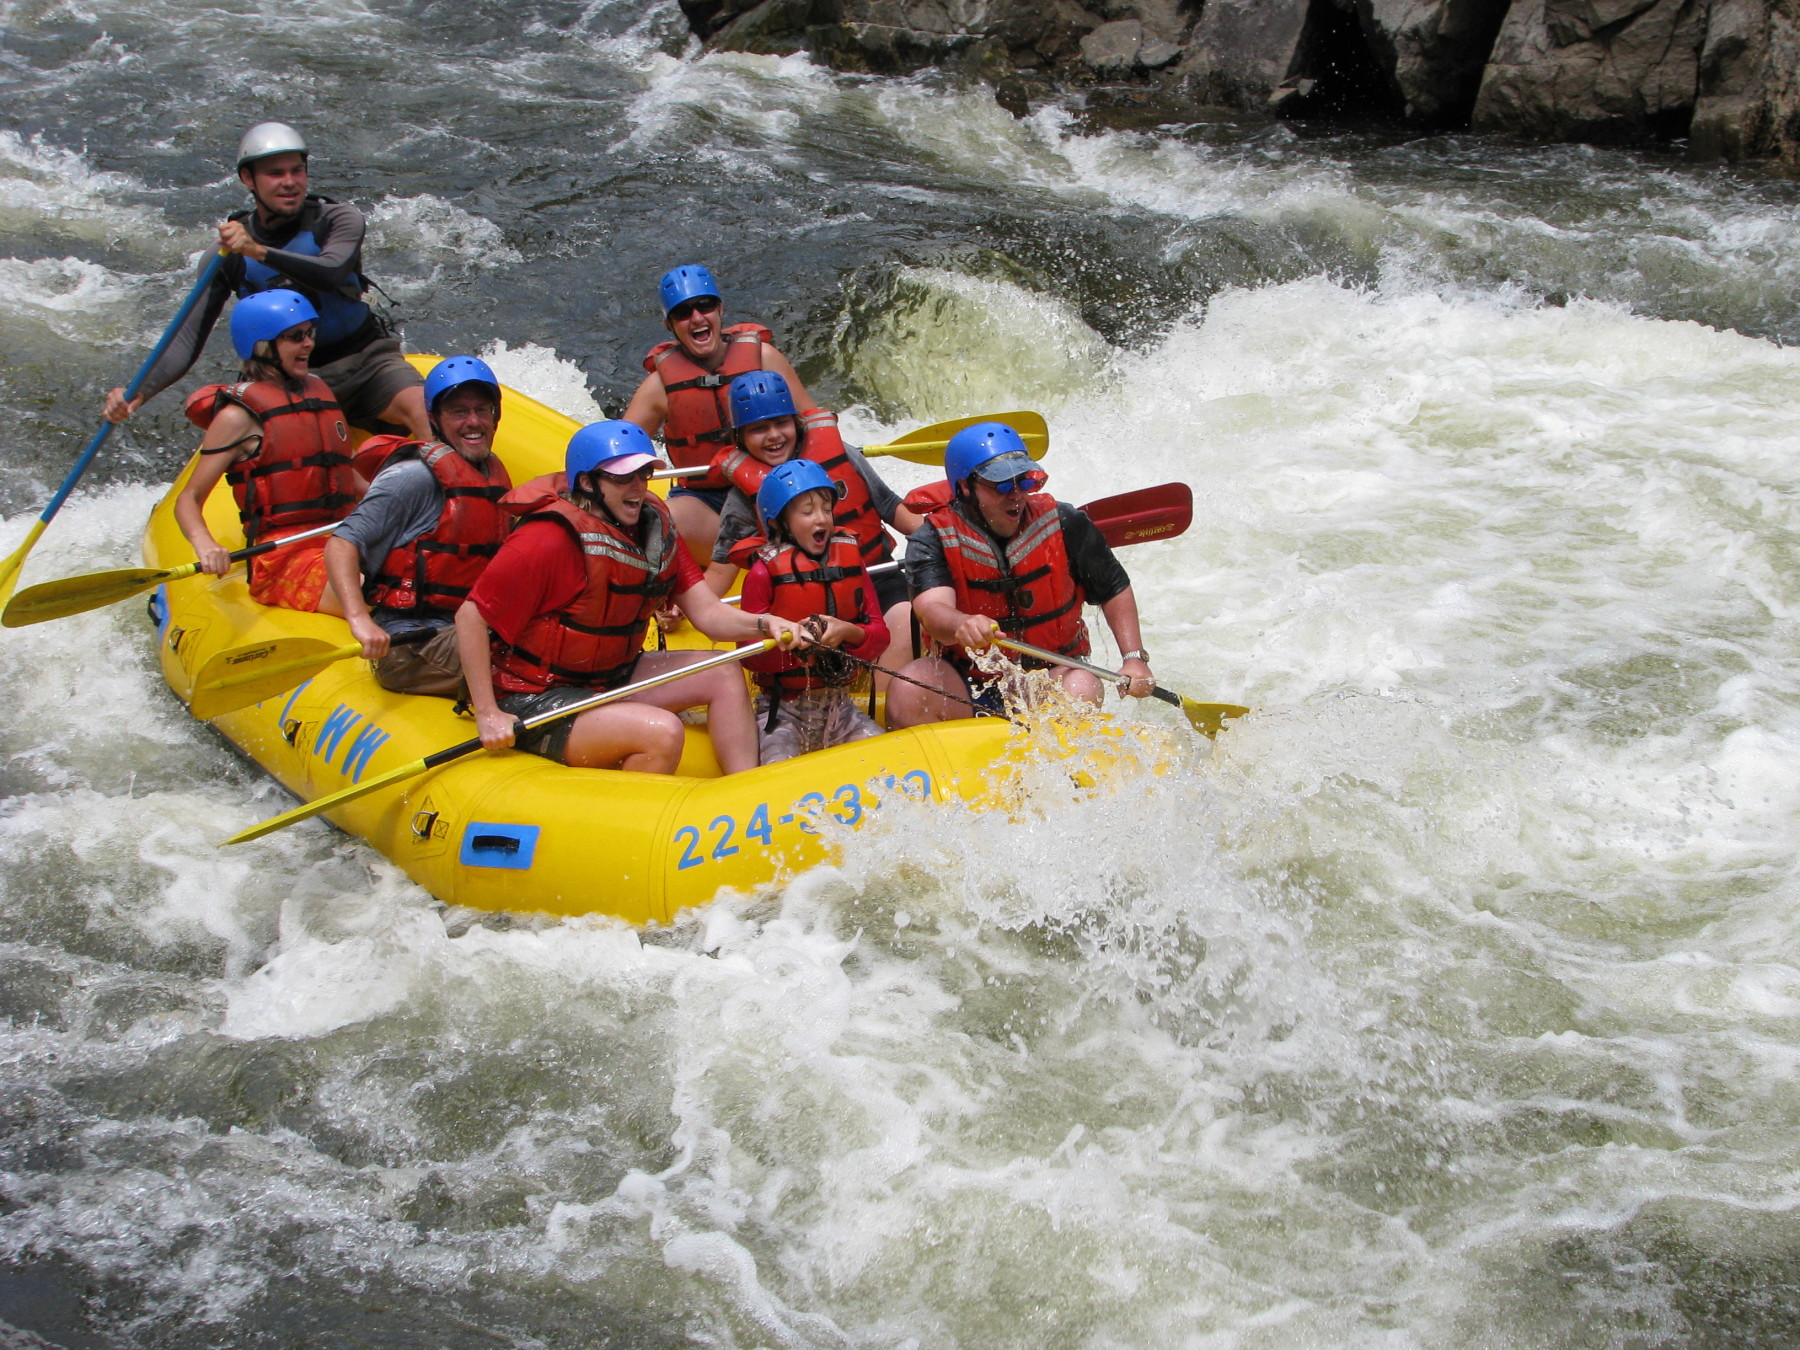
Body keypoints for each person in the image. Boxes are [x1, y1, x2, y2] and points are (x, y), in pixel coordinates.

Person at [455, 420, 810, 774]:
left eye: (643, 475)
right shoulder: (547, 538)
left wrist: (766, 623)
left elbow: (707, 613)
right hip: (537, 696)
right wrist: (488, 713)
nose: (638, 487)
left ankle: (746, 790)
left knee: (724, 672)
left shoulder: (654, 528)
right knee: (662, 731)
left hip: (610, 675)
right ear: (587, 482)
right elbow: (470, 616)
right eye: (623, 478)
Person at [103, 122, 429, 439]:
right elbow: (187, 338)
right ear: (248, 179)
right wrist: (138, 392)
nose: (289, 182)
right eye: (275, 173)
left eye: (296, 171)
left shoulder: (338, 220)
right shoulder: (226, 255)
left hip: (366, 361)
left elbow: (330, 273)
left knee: (423, 410)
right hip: (283, 379)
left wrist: (260, 252)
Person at [887, 422, 1157, 727]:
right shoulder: (932, 537)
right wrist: (960, 623)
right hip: (968, 683)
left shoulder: (1065, 521)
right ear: (964, 488)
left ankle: (1065, 766)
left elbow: (1114, 589)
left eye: (1024, 481)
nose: (1016, 495)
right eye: (1001, 484)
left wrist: (1134, 657)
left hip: (1050, 677)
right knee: (910, 687)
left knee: (1083, 685)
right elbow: (932, 609)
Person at [702, 370, 919, 678]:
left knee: (906, 617)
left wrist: (940, 541)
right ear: (740, 438)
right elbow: (721, 569)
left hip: (874, 578)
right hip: (799, 599)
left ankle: (884, 703)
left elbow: (891, 507)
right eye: (759, 429)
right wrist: (681, 608)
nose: (774, 435)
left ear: (796, 423)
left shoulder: (840, 453)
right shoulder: (742, 499)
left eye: (781, 423)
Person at [324, 355, 512, 695]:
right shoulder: (413, 477)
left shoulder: (491, 476)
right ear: (434, 419)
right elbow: (342, 543)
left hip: (464, 629)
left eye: (482, 410)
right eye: (458, 412)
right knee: (527, 662)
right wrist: (359, 620)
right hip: (411, 645)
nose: (473, 422)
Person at [174, 291, 362, 613]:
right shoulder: (237, 418)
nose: (308, 344)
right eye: (294, 336)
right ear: (261, 346)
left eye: (309, 333)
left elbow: (350, 478)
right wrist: (205, 545)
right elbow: (188, 499)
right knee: (369, 589)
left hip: (344, 537)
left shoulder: (319, 393)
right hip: (283, 558)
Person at [622, 264, 812, 557]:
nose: (696, 317)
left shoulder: (763, 358)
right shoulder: (659, 387)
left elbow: (813, 426)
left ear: (720, 309)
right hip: (705, 501)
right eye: (683, 313)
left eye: (705, 306)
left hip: (780, 486)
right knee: (656, 521)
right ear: (670, 326)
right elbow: (622, 456)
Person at [732, 460, 890, 764]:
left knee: (889, 761)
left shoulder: (850, 562)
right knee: (780, 768)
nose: (821, 519)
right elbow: (749, 657)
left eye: (826, 509)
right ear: (778, 522)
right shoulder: (763, 574)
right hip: (781, 713)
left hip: (840, 710)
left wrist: (846, 630)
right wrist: (795, 640)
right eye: (807, 512)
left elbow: (880, 637)